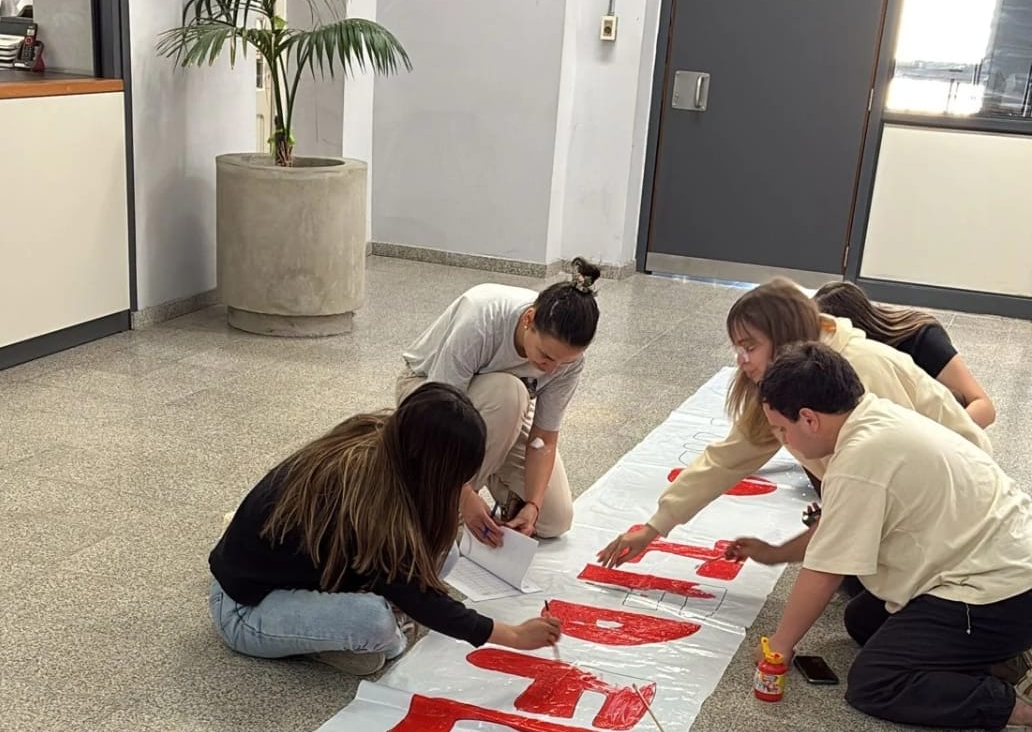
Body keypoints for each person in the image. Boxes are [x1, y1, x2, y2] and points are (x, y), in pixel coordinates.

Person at [597, 278, 992, 569]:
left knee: (858, 584)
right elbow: (729, 457)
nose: (742, 360)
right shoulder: (789, 374)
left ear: (784, 336)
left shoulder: (863, 367)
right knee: (849, 569)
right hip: (893, 500)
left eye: (750, 347)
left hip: (955, 507)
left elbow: (904, 468)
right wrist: (655, 526)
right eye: (738, 348)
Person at [751, 343, 1032, 732]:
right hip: (999, 559)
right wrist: (776, 553)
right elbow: (833, 535)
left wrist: (778, 648)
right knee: (862, 620)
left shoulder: (859, 459)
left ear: (809, 419)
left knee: (875, 683)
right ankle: (998, 657)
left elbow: (824, 569)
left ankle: (1013, 706)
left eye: (782, 429)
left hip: (997, 592)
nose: (784, 440)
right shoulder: (874, 415)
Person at [208, 383, 561, 676]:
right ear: (431, 469)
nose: (461, 486)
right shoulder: (365, 498)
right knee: (376, 625)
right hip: (245, 609)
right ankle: (326, 643)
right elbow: (418, 595)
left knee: (446, 553)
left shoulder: (389, 446)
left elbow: (413, 569)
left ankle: (342, 630)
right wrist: (512, 635)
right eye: (456, 479)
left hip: (308, 577)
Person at [398, 257, 601, 546]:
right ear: (529, 319)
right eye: (546, 354)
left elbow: (543, 437)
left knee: (554, 519)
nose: (551, 368)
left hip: (501, 413)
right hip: (427, 397)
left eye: (564, 362)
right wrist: (464, 494)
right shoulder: (483, 319)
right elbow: (438, 412)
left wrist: (533, 506)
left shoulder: (568, 362)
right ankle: (440, 503)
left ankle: (477, 480)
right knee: (510, 393)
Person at [814, 280, 995, 429]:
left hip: (938, 428)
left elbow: (984, 407)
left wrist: (939, 440)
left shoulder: (921, 337)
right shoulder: (849, 356)